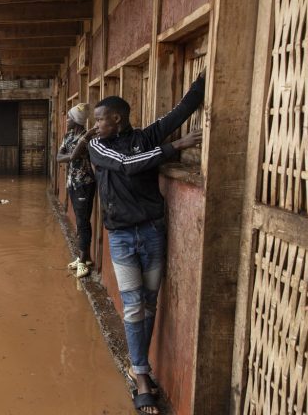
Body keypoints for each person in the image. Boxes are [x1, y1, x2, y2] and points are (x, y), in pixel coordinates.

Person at [87, 70, 206, 415]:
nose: (95, 125)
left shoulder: (145, 137)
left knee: (150, 303)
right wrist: (174, 147)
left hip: (152, 231)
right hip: (122, 236)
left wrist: (205, 76)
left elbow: (182, 110)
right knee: (134, 305)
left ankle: (139, 363)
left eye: (101, 119)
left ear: (117, 119)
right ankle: (141, 375)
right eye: (94, 120)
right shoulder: (98, 146)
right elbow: (126, 166)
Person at [56, 103, 98, 278]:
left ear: (76, 121)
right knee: (81, 221)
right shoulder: (68, 136)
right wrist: (69, 156)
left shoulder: (88, 138)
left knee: (82, 222)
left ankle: (82, 262)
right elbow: (59, 158)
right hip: (72, 183)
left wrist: (71, 155)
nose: (66, 120)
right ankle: (84, 257)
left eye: (70, 118)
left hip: (84, 184)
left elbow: (71, 156)